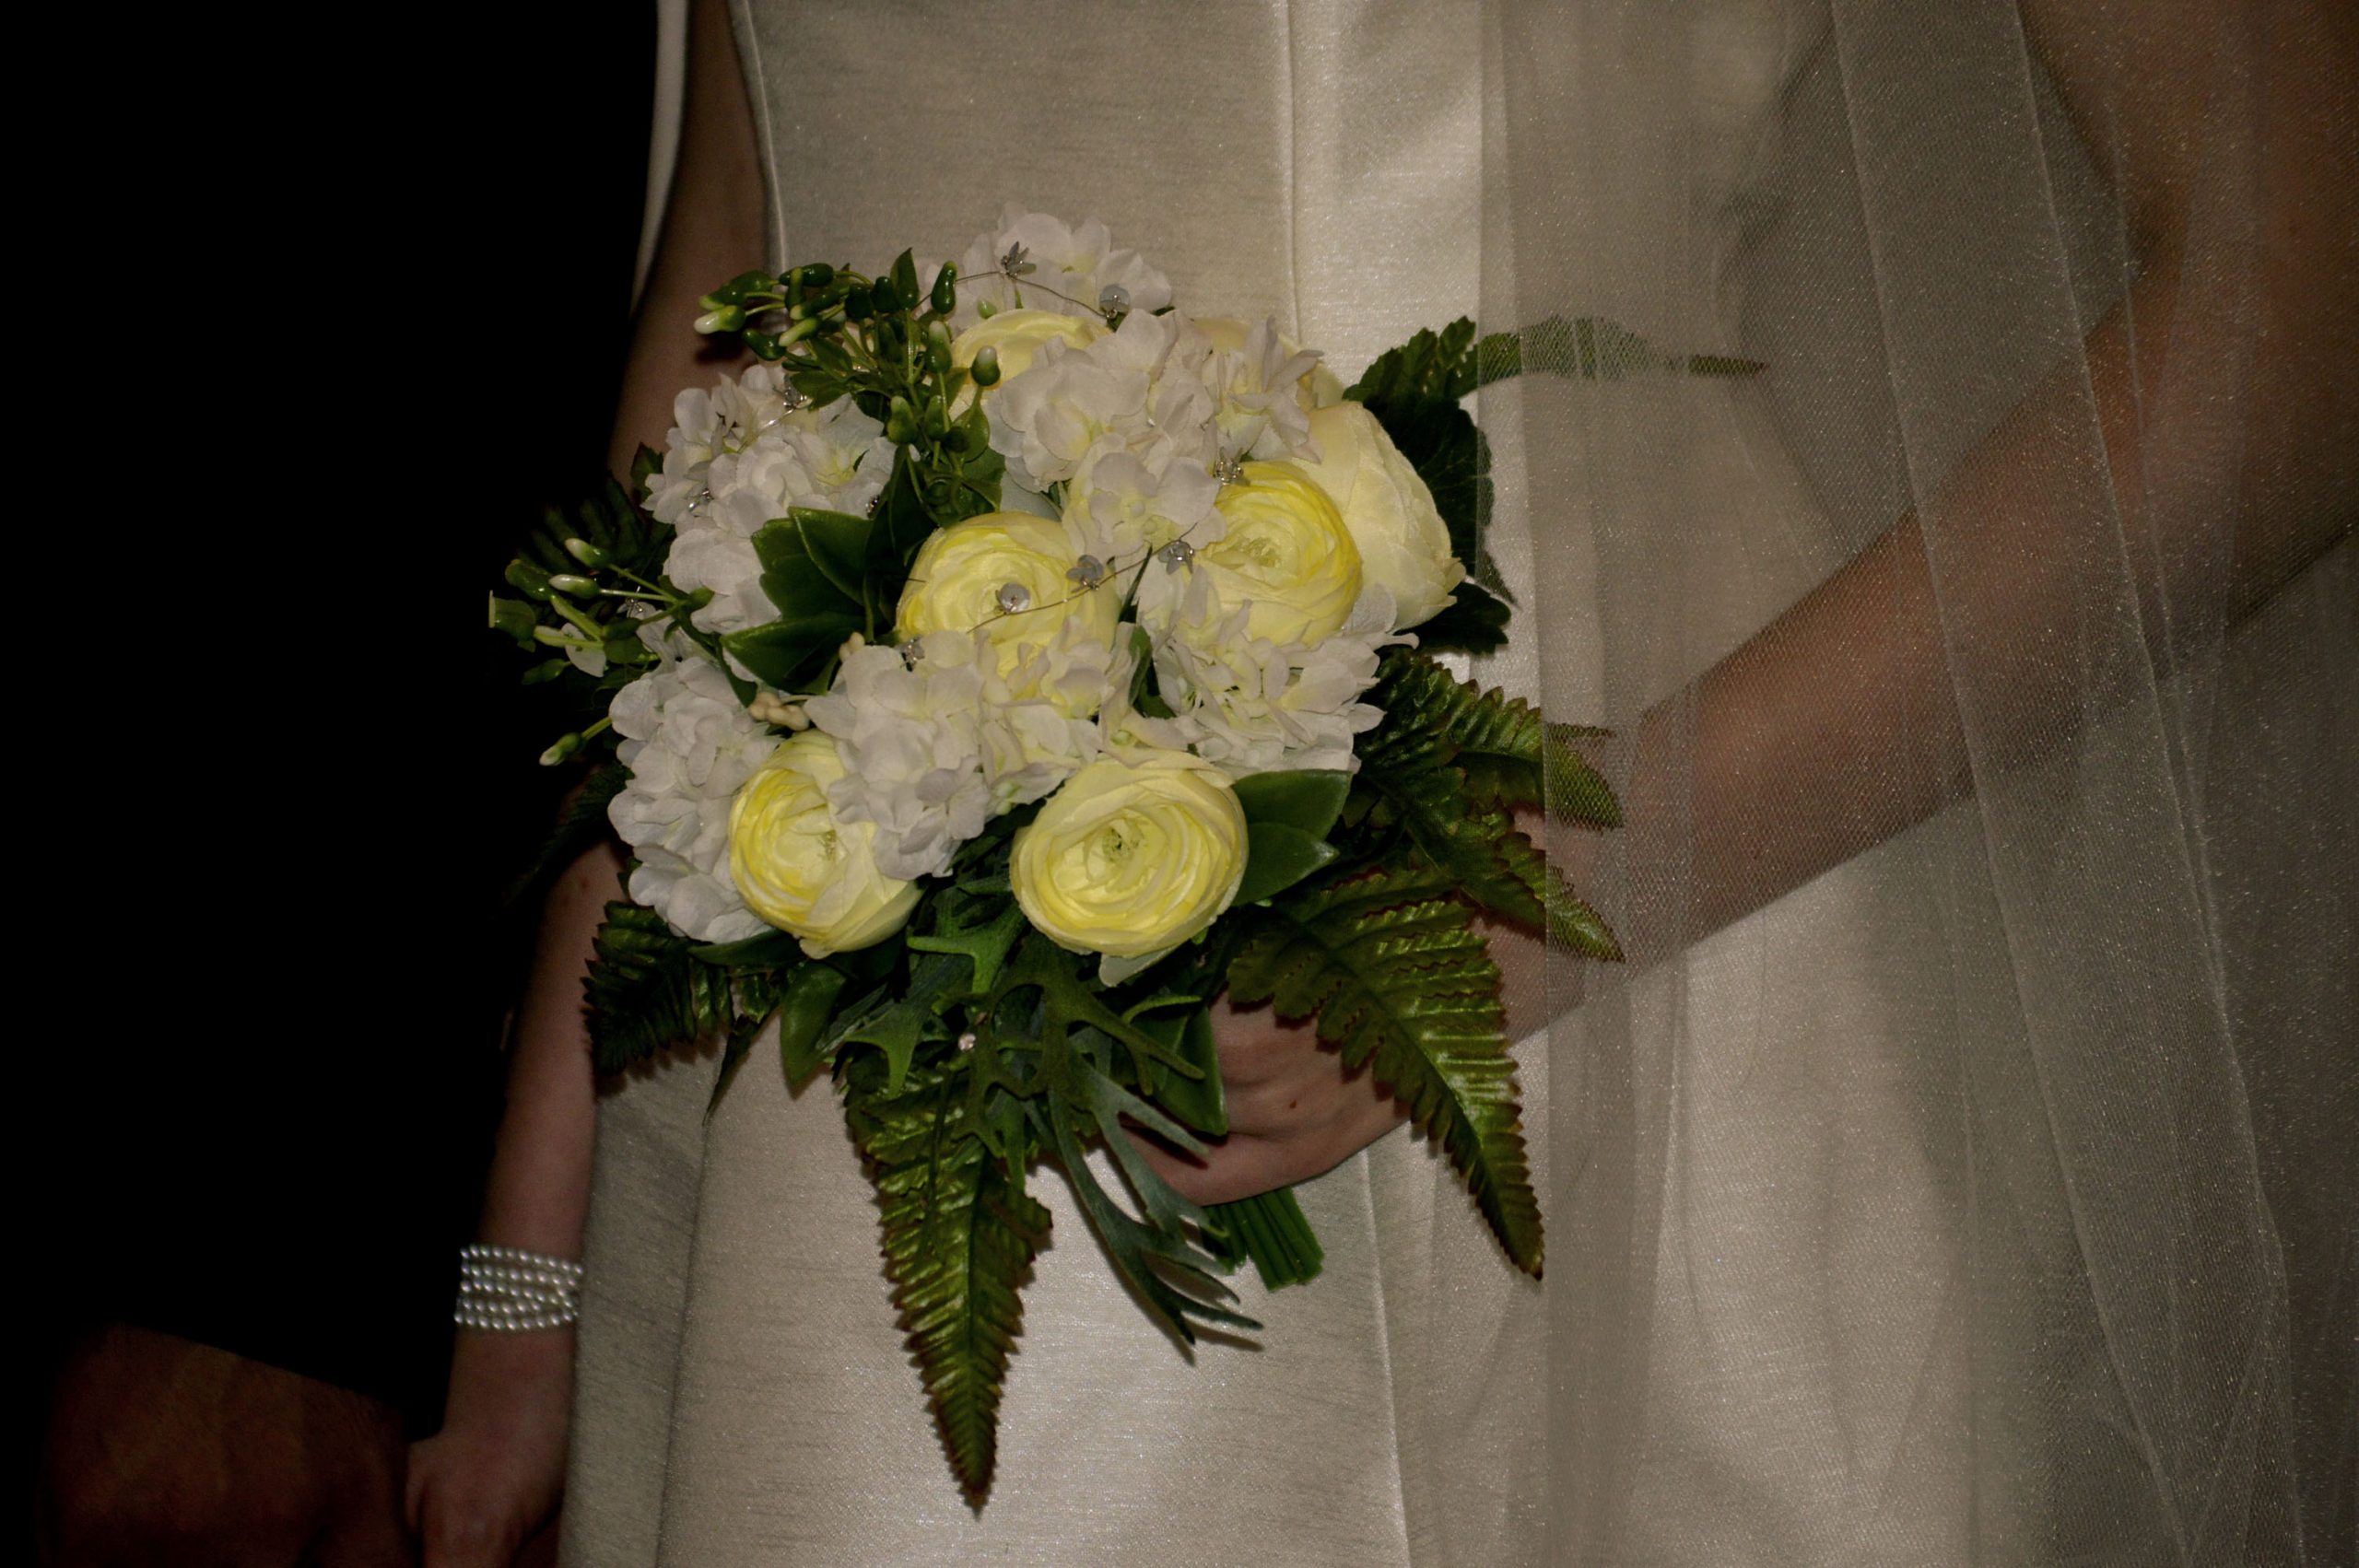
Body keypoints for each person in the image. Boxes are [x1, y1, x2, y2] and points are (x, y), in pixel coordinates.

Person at [413, 0, 2353, 1562]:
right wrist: (540, 1208)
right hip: (823, 1064)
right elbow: (743, 293)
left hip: (1592, 961)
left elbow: (2291, 312)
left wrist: (1584, 856)